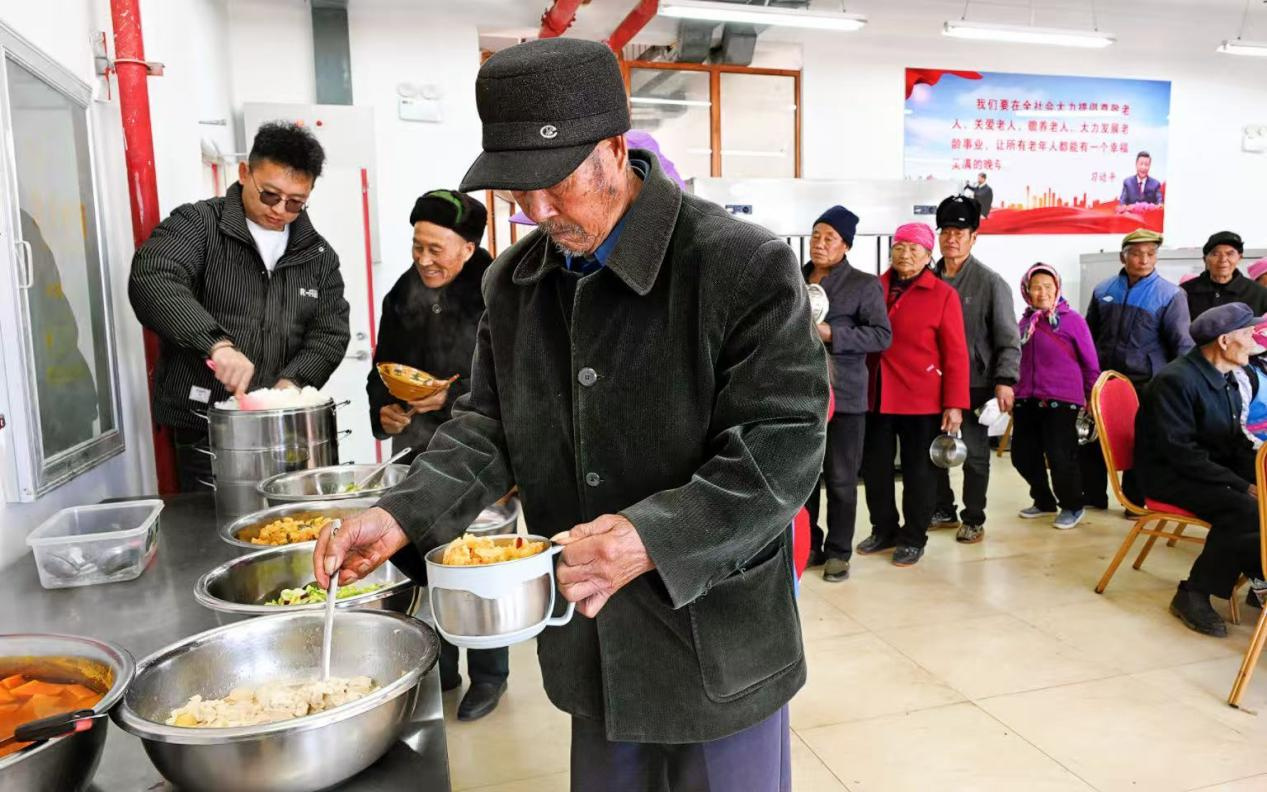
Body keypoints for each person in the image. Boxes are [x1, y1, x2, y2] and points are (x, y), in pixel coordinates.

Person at [315, 38, 827, 791]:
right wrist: (401, 513)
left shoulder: (736, 264)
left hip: (715, 639)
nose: (538, 212)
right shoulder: (514, 285)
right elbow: (486, 425)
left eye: (555, 184)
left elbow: (781, 444)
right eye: (517, 193)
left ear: (615, 150)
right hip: (592, 640)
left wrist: (651, 536)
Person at [129, 122, 350, 491]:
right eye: (270, 195)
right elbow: (154, 277)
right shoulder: (199, 224)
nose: (280, 210)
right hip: (204, 426)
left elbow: (330, 333)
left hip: (283, 428)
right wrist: (216, 345)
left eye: (295, 202)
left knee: (289, 517)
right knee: (212, 519)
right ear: (245, 172)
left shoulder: (318, 254)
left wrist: (290, 385)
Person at [367, 188, 509, 722]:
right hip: (418, 449)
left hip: (484, 459)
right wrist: (384, 408)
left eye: (436, 249)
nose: (424, 260)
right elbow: (382, 366)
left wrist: (450, 398)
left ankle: (490, 673)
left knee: (479, 566)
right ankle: (443, 661)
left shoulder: (499, 290)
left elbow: (515, 379)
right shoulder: (402, 293)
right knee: (424, 562)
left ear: (469, 248)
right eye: (417, 246)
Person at [1135, 303, 1263, 637]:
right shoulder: (1175, 381)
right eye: (1248, 333)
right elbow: (1180, 453)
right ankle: (1193, 592)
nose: (1255, 341)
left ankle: (1259, 577)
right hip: (1169, 475)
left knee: (1260, 498)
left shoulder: (1227, 377)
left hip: (1206, 468)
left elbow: (1233, 441)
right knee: (1245, 510)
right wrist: (1242, 485)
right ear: (1224, 340)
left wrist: (1260, 473)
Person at [857, 222, 969, 567]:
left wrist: (954, 404)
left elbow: (956, 353)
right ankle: (884, 529)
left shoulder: (942, 294)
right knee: (875, 469)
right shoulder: (873, 287)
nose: (905, 254)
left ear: (927, 255)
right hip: (876, 394)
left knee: (919, 472)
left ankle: (913, 537)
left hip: (922, 398)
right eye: (899, 247)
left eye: (913, 249)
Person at [802, 206, 892, 582]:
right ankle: (809, 545)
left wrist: (833, 334)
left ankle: (839, 552)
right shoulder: (793, 277)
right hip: (801, 395)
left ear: (846, 246)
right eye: (816, 235)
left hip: (845, 396)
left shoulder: (863, 284)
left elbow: (881, 336)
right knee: (803, 479)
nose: (820, 244)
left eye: (830, 238)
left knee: (840, 479)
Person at [930, 195, 1021, 544]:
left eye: (959, 233)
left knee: (974, 455)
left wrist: (1005, 381)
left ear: (973, 238)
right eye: (946, 232)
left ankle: (974, 517)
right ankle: (943, 508)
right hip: (932, 382)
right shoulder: (929, 277)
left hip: (975, 382)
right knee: (932, 449)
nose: (951, 239)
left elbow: (1008, 337)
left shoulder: (990, 282)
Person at [1081, 228, 1192, 509]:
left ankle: (1135, 499)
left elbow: (1182, 345)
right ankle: (1093, 495)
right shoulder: (1103, 290)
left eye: (1151, 254)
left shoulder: (1170, 295)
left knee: (1139, 439)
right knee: (1093, 437)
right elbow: (1089, 336)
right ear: (1123, 257)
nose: (1144, 260)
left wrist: (1177, 387)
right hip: (1104, 380)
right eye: (1137, 254)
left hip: (1146, 382)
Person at [1011, 264, 1100, 530]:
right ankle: (1043, 500)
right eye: (1036, 287)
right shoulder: (1023, 323)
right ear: (1027, 291)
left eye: (1048, 287)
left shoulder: (1072, 320)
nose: (1043, 293)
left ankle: (1072, 505)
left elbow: (1090, 363)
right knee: (1022, 455)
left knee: (1061, 456)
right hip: (1026, 399)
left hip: (1062, 400)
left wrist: (1091, 397)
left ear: (1058, 288)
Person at [1182, 231, 1267, 318]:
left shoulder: (1259, 293)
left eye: (1230, 254)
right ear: (1205, 259)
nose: (1223, 260)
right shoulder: (1185, 292)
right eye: (1215, 254)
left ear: (1240, 258)